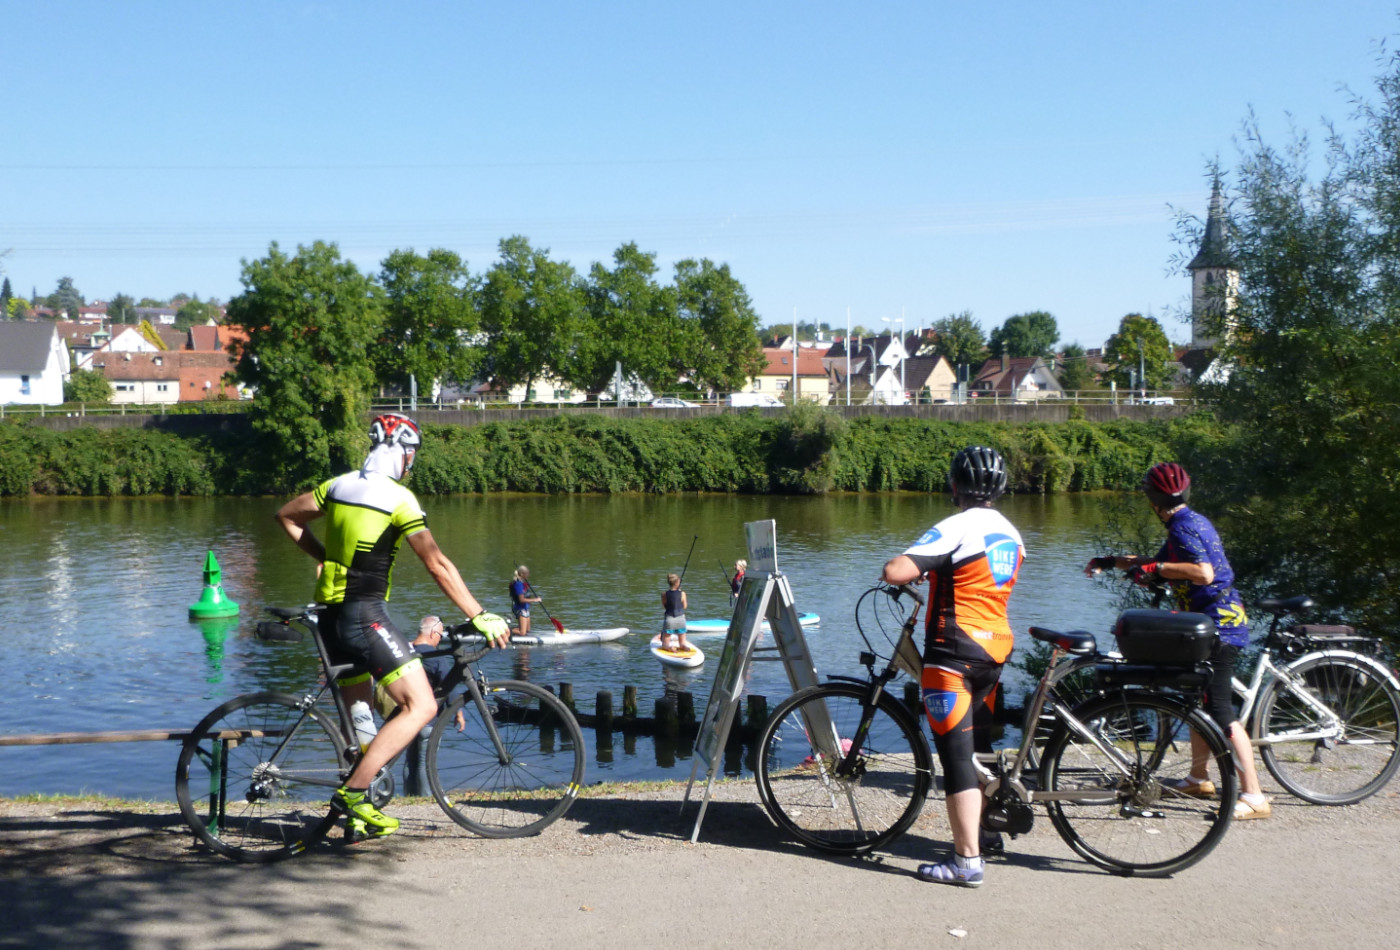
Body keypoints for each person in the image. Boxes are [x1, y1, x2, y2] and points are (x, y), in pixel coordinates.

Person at [275, 412, 509, 838]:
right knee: (422, 706)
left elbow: (287, 517)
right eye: (411, 454)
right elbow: (437, 564)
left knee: (363, 718)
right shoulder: (399, 498)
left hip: (331, 618)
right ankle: (353, 794)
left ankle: (362, 807)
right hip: (364, 616)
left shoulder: (337, 486)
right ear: (404, 452)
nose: (410, 462)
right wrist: (479, 614)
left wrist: (327, 558)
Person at [1085, 461, 1271, 821]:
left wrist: (1157, 571)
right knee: (1195, 700)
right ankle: (1198, 778)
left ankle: (1254, 795)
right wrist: (1110, 561)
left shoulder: (1184, 529)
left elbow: (1203, 573)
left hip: (1218, 628)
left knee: (1220, 711)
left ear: (1153, 501)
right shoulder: (1189, 522)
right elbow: (1157, 562)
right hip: (1205, 624)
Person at [881, 445, 1024, 888]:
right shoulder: (1011, 533)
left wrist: (918, 568)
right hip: (994, 650)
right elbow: (973, 577)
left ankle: (966, 863)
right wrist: (939, 571)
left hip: (952, 656)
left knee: (956, 758)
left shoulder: (957, 525)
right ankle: (985, 832)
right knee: (978, 746)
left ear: (956, 485)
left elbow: (895, 570)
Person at [510, 565, 541, 638]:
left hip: (525, 608)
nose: (528, 575)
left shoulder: (523, 583)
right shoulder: (518, 584)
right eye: (526, 573)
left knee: (527, 630)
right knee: (522, 633)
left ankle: (513, 631)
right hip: (520, 608)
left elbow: (526, 597)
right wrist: (535, 600)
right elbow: (521, 600)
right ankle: (504, 631)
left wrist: (530, 601)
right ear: (521, 574)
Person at [660, 573, 689, 652]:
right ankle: (684, 646)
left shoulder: (664, 594)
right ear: (677, 582)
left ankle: (668, 647)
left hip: (670, 618)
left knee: (665, 644)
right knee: (682, 642)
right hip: (681, 618)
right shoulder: (682, 593)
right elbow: (684, 606)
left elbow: (665, 606)